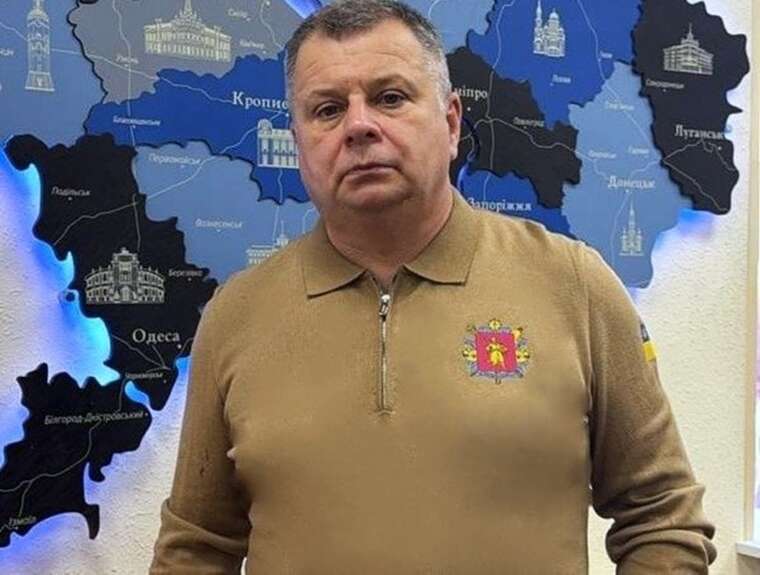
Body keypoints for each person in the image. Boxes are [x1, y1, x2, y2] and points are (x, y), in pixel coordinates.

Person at [150, 1, 716, 572]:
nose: (359, 125)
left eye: (390, 98)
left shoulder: (574, 284)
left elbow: (663, 519)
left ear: (450, 123)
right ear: (298, 144)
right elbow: (197, 547)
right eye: (327, 110)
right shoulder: (237, 315)